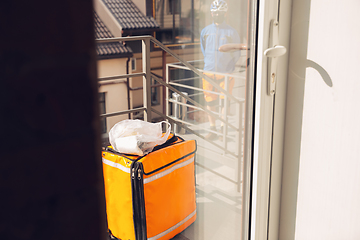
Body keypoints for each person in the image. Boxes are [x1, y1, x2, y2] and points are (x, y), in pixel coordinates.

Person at [200, 0, 246, 141]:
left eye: (220, 12)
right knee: (210, 102)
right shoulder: (205, 31)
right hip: (208, 72)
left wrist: (229, 66)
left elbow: (237, 52)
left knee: (224, 102)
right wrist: (209, 62)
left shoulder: (232, 32)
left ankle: (222, 130)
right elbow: (203, 49)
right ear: (212, 13)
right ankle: (213, 129)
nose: (217, 15)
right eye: (215, 12)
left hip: (225, 73)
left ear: (225, 13)